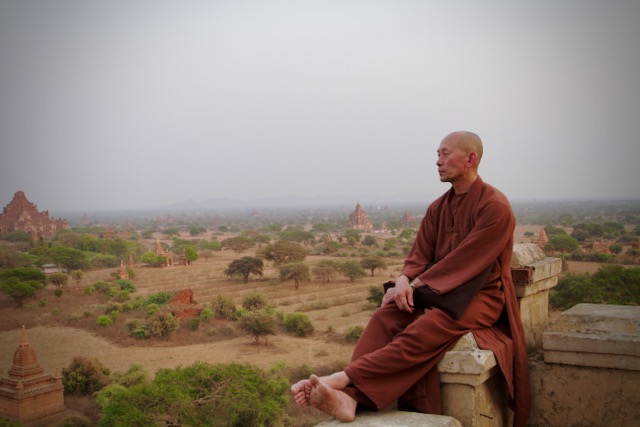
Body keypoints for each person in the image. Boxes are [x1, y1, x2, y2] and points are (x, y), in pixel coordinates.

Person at [291, 131, 531, 426]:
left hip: (479, 297)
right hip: (435, 291)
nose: (438, 162)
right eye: (437, 154)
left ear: (471, 159)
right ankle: (351, 398)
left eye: (445, 154)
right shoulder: (438, 208)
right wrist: (403, 281)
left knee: (427, 325)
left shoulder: (494, 206)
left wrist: (416, 286)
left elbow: (465, 262)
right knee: (386, 316)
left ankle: (343, 381)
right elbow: (419, 253)